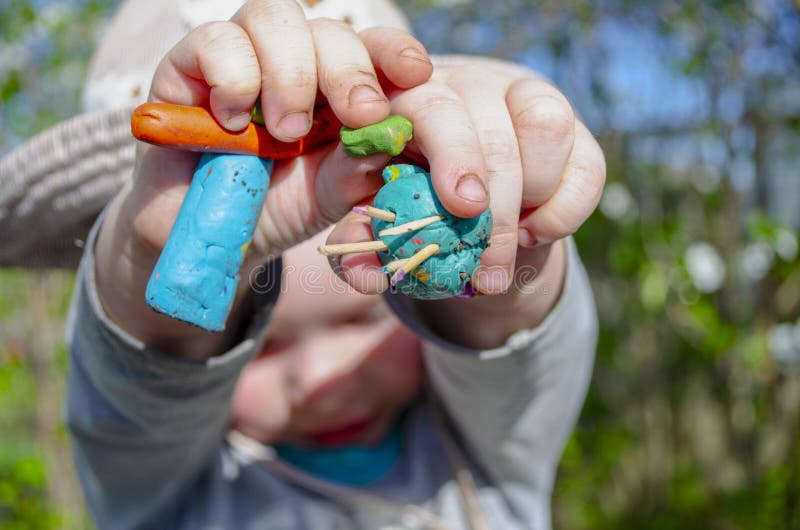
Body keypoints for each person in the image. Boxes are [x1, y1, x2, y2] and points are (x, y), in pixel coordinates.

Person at [2, 0, 606, 528]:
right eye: (260, 344)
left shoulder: (487, 451)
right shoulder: (171, 498)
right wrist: (164, 257)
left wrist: (495, 221)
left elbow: (515, 349)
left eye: (361, 319)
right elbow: (135, 405)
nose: (318, 378)